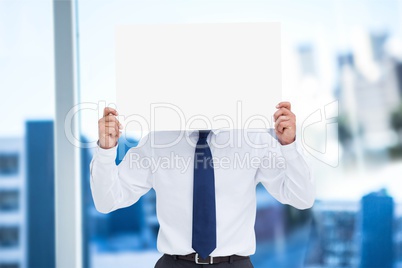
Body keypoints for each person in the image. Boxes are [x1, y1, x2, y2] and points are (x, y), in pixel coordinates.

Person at [90, 102, 314, 267]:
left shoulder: (253, 139)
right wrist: (106, 151)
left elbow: (301, 198)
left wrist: (289, 146)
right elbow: (107, 201)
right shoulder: (157, 140)